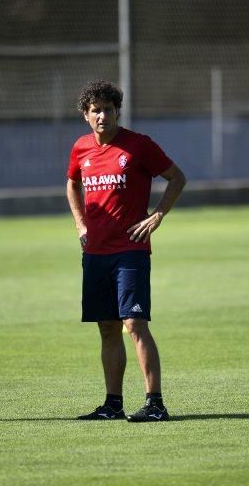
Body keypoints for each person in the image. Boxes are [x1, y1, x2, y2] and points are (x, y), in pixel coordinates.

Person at [66, 80, 187, 422]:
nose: (102, 116)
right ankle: (112, 404)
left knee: (134, 323)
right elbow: (72, 183)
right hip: (95, 253)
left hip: (130, 251)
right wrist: (80, 224)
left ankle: (155, 403)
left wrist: (158, 215)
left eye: (107, 109)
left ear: (117, 111)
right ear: (85, 116)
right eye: (95, 110)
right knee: (106, 327)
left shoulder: (139, 146)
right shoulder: (80, 149)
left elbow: (177, 177)